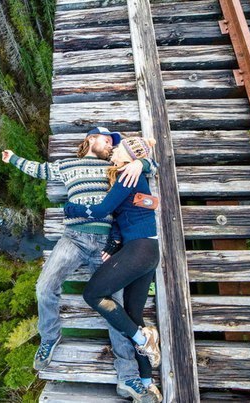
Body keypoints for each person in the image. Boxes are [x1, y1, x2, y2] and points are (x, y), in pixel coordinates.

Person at [2, 127, 158, 402]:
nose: (110, 145)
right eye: (106, 140)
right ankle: (49, 338)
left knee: (115, 306)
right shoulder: (67, 164)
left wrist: (140, 161)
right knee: (44, 285)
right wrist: (12, 158)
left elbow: (151, 165)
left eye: (113, 143)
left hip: (107, 245)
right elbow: (38, 169)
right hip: (73, 238)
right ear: (90, 139)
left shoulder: (115, 168)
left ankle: (128, 377)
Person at [63, 137, 162, 402]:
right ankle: (146, 381)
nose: (113, 151)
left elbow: (101, 210)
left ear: (128, 155)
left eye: (117, 148)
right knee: (132, 314)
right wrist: (113, 242)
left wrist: (71, 208)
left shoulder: (126, 175)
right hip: (147, 251)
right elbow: (122, 215)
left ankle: (141, 339)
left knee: (92, 294)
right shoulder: (130, 173)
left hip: (139, 250)